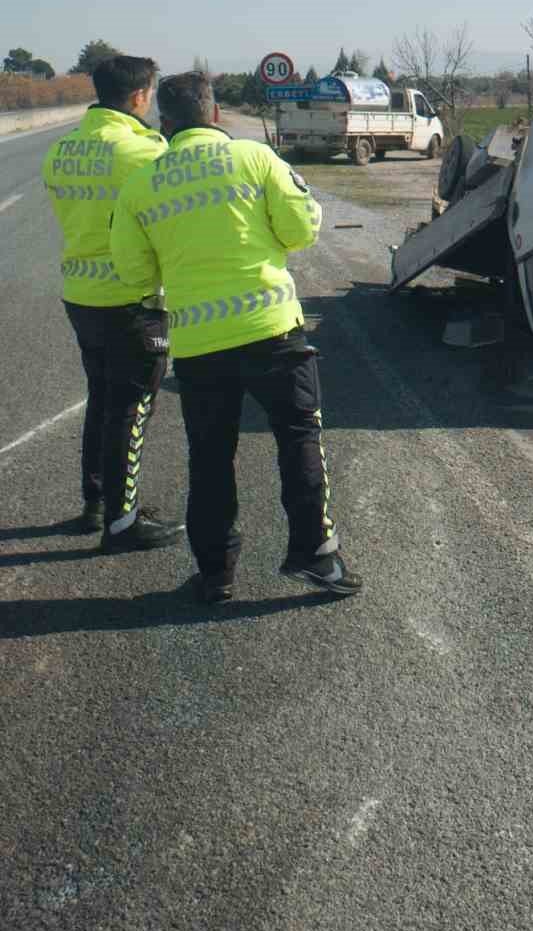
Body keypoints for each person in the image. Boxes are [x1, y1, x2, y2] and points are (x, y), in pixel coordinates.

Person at [111, 70, 362, 604]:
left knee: (209, 458)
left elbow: (134, 276)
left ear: (166, 122)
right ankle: (317, 556)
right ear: (216, 113)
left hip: (201, 348)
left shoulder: (140, 186)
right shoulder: (255, 159)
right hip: (274, 332)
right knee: (299, 440)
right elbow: (299, 230)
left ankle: (216, 574)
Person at [41, 55, 184, 550]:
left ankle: (96, 503)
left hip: (79, 293)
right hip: (132, 296)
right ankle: (122, 524)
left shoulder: (61, 149)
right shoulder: (144, 152)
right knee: (132, 406)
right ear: (141, 96)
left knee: (103, 399)